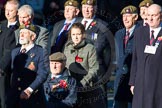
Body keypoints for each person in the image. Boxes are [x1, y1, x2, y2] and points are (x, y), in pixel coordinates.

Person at [77, 0, 115, 107]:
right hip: (77, 69)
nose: (87, 10)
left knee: (98, 102)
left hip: (96, 70)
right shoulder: (76, 24)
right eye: (84, 7)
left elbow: (97, 47)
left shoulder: (103, 26)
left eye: (90, 7)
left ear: (96, 8)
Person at [6, 23, 49, 108]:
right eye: (20, 33)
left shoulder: (41, 52)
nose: (21, 35)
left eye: (25, 33)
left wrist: (30, 90)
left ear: (33, 37)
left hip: (31, 98)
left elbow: (43, 74)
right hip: (13, 97)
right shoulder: (15, 52)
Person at [64, 23, 105, 108]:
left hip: (88, 88)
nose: (75, 37)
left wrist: (83, 82)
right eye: (73, 34)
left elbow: (94, 69)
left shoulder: (90, 48)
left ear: (83, 35)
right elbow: (65, 67)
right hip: (72, 89)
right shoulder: (67, 48)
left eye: (78, 34)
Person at [129, 4, 162, 108]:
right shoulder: (139, 32)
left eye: (153, 15)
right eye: (148, 15)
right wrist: (132, 82)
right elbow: (135, 59)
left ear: (160, 16)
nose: (150, 19)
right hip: (141, 83)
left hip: (158, 83)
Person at [113, 5, 139, 108]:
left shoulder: (141, 32)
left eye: (128, 15)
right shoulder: (119, 34)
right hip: (120, 79)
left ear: (135, 17)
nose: (125, 19)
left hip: (135, 79)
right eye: (123, 16)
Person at [0, 20, 16, 108]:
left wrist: (1, 67)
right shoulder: (2, 25)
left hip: (2, 72)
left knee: (3, 101)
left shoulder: (8, 30)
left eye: (11, 11)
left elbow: (8, 52)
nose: (8, 13)